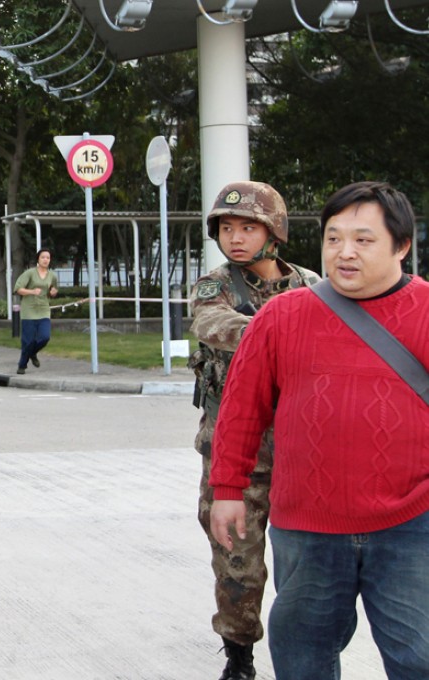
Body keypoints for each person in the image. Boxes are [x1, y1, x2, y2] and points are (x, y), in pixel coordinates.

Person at [210, 181, 429, 680]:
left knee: (418, 657)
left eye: (363, 240)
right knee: (302, 655)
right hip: (307, 527)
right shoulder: (281, 317)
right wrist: (228, 489)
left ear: (401, 246)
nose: (344, 252)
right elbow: (242, 409)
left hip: (411, 524)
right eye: (334, 238)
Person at [188, 181, 319, 680]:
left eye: (248, 227)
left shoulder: (311, 284)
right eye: (226, 228)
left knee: (307, 560)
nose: (235, 237)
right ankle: (239, 652)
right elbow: (211, 323)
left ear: (274, 231)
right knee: (237, 558)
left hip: (303, 445)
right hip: (236, 450)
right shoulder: (215, 284)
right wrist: (278, 330)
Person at [13, 248, 59, 374]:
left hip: (44, 309)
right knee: (28, 341)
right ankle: (22, 365)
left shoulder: (52, 276)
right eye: (43, 257)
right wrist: (32, 291)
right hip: (29, 311)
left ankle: (33, 353)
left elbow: (52, 290)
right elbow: (17, 289)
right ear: (38, 259)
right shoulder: (30, 273)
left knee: (45, 337)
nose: (45, 260)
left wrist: (53, 293)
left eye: (48, 258)